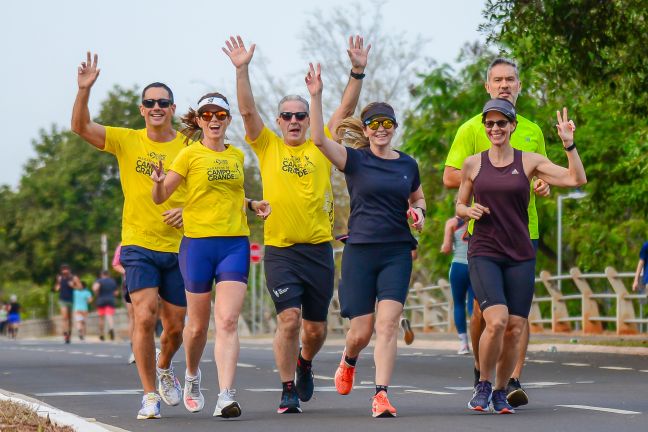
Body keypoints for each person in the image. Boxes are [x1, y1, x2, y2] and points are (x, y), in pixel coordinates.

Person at [223, 35, 369, 414]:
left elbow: (345, 107)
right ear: (278, 121)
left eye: (300, 115)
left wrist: (356, 71)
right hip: (281, 250)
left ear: (308, 120)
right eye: (286, 115)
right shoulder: (267, 145)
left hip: (318, 249)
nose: (293, 121)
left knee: (315, 330)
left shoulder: (320, 144)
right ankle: (287, 387)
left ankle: (305, 361)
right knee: (288, 320)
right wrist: (242, 69)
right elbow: (247, 110)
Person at [72, 52, 188, 420]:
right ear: (142, 109)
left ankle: (166, 366)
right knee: (144, 315)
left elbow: (210, 192)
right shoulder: (126, 139)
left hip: (182, 247)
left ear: (173, 108)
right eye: (150, 103)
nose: (156, 107)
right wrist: (83, 91)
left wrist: (187, 212)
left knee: (176, 327)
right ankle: (150, 394)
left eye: (163, 103)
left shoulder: (189, 146)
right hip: (138, 243)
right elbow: (80, 126)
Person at [306, 63, 426, 417]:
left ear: (394, 128)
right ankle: (349, 357)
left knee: (388, 324)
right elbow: (318, 139)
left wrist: (418, 213)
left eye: (387, 123)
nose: (381, 130)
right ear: (366, 130)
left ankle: (381, 394)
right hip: (359, 252)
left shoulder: (408, 165)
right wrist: (316, 97)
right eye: (374, 124)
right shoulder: (354, 160)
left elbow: (418, 199)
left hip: (397, 253)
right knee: (361, 331)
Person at [457, 98, 586, 414]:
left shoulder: (529, 161)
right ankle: (483, 384)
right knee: (497, 320)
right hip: (484, 250)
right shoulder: (474, 163)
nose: (495, 128)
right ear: (485, 127)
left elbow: (575, 179)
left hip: (520, 252)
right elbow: (459, 204)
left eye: (502, 123)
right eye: (490, 123)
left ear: (513, 126)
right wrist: (467, 210)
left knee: (515, 326)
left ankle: (501, 390)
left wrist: (569, 145)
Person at [151, 92, 271, 418]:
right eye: (207, 115)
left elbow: (231, 194)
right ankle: (192, 375)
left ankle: (226, 396)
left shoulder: (237, 157)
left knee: (228, 320)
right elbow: (162, 197)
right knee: (197, 328)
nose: (214, 120)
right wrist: (159, 183)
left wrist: (252, 204)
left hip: (234, 243)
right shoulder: (188, 156)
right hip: (198, 245)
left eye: (220, 114)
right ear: (200, 120)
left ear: (228, 119)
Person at [443, 57, 549, 407]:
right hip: (486, 230)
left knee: (517, 318)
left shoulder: (531, 129)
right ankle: (481, 373)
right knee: (487, 313)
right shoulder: (474, 128)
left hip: (524, 228)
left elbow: (542, 175)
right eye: (498, 80)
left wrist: (540, 183)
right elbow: (450, 177)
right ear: (487, 85)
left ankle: (511, 379)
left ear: (519, 85)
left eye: (510, 79)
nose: (504, 84)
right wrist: (488, 178)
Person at [441, 216, 475, 354]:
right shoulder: (479, 218)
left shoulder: (451, 223)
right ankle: (478, 341)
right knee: (474, 305)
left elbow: (447, 248)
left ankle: (464, 344)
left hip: (458, 266)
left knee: (459, 303)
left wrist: (444, 246)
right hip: (476, 265)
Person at [112, 243, 136, 364]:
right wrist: (128, 271)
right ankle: (134, 350)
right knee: (133, 316)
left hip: (151, 281)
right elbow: (115, 264)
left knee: (149, 316)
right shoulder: (124, 243)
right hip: (131, 281)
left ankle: (148, 348)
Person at [54, 265, 82, 344]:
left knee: (70, 319)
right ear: (61, 271)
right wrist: (58, 284)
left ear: (69, 270)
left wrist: (73, 285)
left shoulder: (74, 278)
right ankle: (65, 334)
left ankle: (69, 334)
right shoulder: (60, 278)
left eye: (66, 269)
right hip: (62, 300)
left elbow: (80, 287)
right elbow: (56, 288)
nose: (65, 271)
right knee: (64, 317)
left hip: (71, 300)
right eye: (63, 270)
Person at [93, 270, 119, 341]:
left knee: (101, 318)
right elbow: (116, 293)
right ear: (108, 275)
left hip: (101, 300)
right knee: (109, 316)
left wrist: (97, 293)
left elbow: (95, 288)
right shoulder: (112, 281)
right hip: (110, 300)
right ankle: (111, 328)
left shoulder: (99, 281)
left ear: (102, 275)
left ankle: (101, 334)